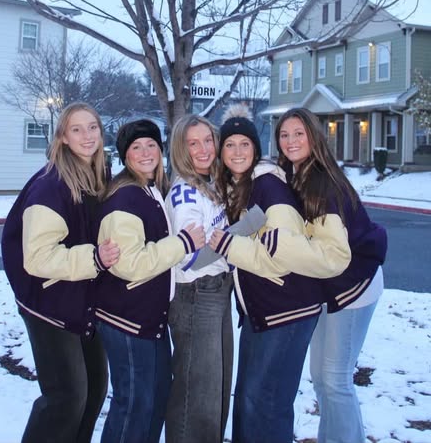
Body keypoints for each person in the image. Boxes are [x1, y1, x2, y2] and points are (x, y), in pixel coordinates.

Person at [209, 104, 352, 443]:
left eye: (245, 144)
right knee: (250, 400)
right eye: (230, 145)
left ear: (256, 149)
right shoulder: (243, 186)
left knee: (266, 403)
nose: (237, 151)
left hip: (287, 310)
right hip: (263, 310)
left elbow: (279, 259)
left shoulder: (269, 188)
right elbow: (249, 235)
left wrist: (228, 247)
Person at [1, 102, 120, 443]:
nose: (87, 136)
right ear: (63, 137)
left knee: (94, 392)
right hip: (49, 304)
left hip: (83, 301)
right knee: (66, 398)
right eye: (76, 129)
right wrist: (94, 258)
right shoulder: (51, 185)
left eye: (92, 127)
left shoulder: (97, 177)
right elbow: (37, 257)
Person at [275, 107, 387, 443]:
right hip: (329, 287)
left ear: (313, 136)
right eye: (284, 135)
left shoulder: (321, 182)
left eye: (299, 133)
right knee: (322, 377)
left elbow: (335, 256)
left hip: (354, 285)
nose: (291, 141)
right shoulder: (295, 174)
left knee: (335, 378)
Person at [93, 119, 205, 443]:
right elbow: (129, 264)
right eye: (136, 147)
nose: (145, 153)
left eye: (151, 145)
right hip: (126, 318)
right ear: (125, 156)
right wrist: (183, 243)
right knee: (134, 404)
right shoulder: (124, 199)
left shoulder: (151, 190)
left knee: (155, 398)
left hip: (149, 317)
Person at [164, 114, 233, 443]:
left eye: (208, 140)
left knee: (216, 391)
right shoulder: (185, 194)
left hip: (216, 290)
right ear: (181, 149)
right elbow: (191, 256)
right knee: (198, 397)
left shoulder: (210, 183)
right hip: (196, 294)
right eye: (193, 143)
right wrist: (235, 242)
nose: (204, 149)